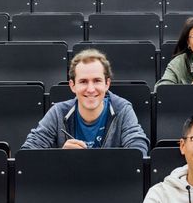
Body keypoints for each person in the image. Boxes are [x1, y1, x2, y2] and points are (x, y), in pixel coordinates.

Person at [21, 48, 149, 156]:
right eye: (83, 82)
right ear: (72, 85)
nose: (91, 89)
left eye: (97, 81)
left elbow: (138, 148)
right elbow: (28, 152)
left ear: (107, 84)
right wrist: (60, 156)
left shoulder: (122, 109)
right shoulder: (58, 112)